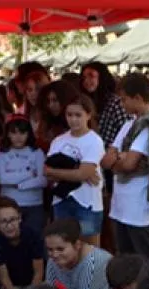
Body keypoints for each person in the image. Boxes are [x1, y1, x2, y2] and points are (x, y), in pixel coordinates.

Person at [101, 72, 149, 258]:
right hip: (121, 204)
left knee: (147, 258)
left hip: (138, 206)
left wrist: (119, 157)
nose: (121, 105)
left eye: (124, 100)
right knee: (125, 257)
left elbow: (130, 163)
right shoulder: (128, 124)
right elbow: (106, 160)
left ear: (138, 98)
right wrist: (119, 157)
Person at [45, 95, 106, 246]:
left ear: (88, 115)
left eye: (78, 115)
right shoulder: (58, 141)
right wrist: (78, 172)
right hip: (62, 200)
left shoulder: (94, 141)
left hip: (87, 201)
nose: (73, 119)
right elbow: (47, 171)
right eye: (69, 115)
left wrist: (77, 173)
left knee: (89, 249)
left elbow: (83, 174)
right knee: (64, 246)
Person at [0, 115, 48, 234]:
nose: (18, 137)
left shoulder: (37, 152)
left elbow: (43, 180)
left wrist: (20, 185)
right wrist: (30, 173)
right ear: (8, 134)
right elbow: (3, 179)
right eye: (14, 133)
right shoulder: (1, 153)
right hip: (9, 204)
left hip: (34, 204)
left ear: (28, 134)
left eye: (22, 133)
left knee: (33, 239)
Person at [0, 197, 44, 289]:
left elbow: (38, 272)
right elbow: (4, 277)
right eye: (3, 221)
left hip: (35, 283)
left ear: (20, 218)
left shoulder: (33, 236)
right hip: (11, 285)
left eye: (13, 220)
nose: (9, 226)